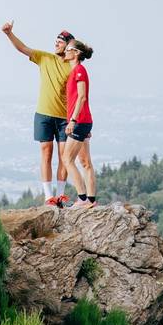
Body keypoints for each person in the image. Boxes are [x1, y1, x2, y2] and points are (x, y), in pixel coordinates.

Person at [1, 20, 73, 205]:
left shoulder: (72, 67)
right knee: (46, 153)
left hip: (64, 117)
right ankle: (49, 196)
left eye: (61, 41)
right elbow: (23, 48)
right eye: (56, 40)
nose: (56, 43)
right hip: (43, 114)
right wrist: (9, 34)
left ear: (68, 46)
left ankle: (60, 195)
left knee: (64, 157)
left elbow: (78, 94)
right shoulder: (45, 58)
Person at [62, 39, 97, 208]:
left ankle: (82, 199)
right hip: (83, 122)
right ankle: (91, 200)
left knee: (67, 159)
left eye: (68, 49)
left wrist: (73, 121)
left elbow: (82, 97)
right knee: (85, 163)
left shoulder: (79, 71)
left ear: (76, 53)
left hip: (79, 121)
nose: (65, 52)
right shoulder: (76, 70)